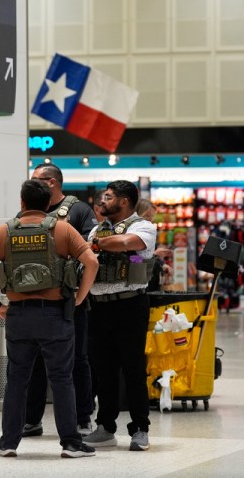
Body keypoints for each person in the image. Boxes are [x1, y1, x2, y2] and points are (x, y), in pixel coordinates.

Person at [0, 179, 99, 458]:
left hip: (18, 315)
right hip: (55, 314)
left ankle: (8, 443)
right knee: (62, 378)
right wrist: (79, 298)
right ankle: (70, 443)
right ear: (48, 204)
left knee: (17, 379)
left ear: (21, 203)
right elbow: (92, 262)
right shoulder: (62, 229)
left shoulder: (3, 232)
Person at [21, 164, 98, 438]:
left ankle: (82, 417)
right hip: (35, 298)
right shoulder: (28, 213)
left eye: (36, 180)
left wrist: (80, 295)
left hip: (68, 299)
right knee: (36, 361)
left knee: (77, 360)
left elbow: (92, 249)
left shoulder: (78, 211)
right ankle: (31, 419)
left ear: (52, 182)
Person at [83, 180, 157, 451]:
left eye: (109, 196)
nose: (103, 200)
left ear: (124, 201)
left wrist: (97, 245)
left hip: (130, 306)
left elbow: (127, 242)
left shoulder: (143, 226)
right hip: (99, 306)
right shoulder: (97, 229)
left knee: (134, 368)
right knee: (104, 370)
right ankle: (105, 426)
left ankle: (140, 428)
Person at [135, 198, 172, 291]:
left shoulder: (148, 233)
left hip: (151, 283)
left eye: (152, 217)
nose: (150, 220)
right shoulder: (132, 235)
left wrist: (163, 264)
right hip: (140, 287)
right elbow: (132, 259)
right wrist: (155, 255)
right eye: (147, 216)